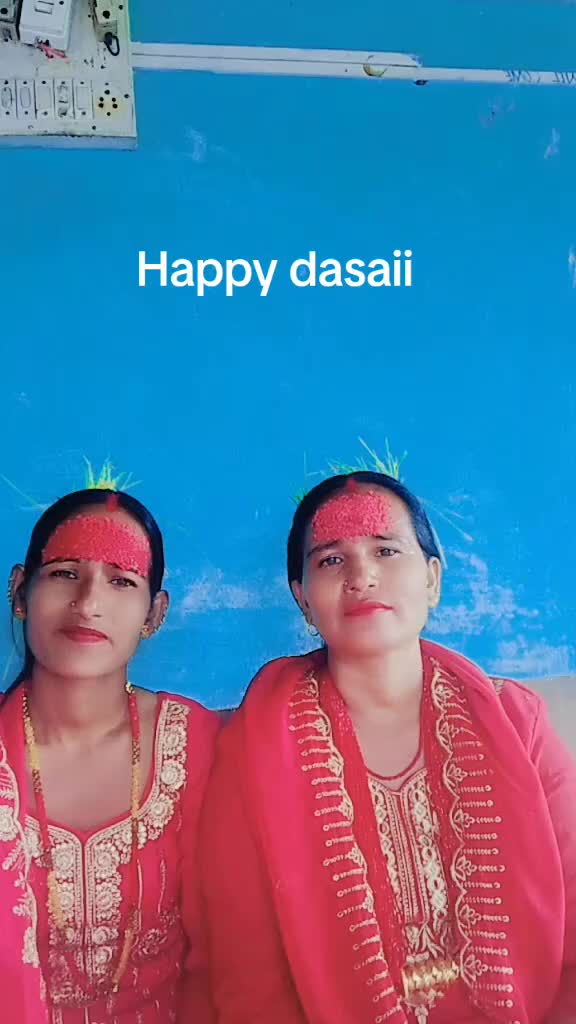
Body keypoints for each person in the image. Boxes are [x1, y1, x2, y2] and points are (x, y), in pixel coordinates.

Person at [198, 471, 576, 1024]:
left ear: (432, 580)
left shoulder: (519, 724)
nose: (362, 576)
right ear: (303, 599)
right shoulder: (253, 748)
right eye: (331, 559)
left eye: (386, 550)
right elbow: (247, 979)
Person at [0, 487, 219, 1023]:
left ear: (155, 613)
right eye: (64, 573)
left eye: (122, 580)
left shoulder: (197, 746)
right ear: (21, 591)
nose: (88, 602)